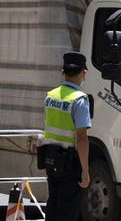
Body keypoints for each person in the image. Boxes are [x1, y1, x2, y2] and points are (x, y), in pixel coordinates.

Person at [39, 51, 91, 221]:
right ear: (84, 73)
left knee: (53, 206)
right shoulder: (80, 100)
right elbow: (82, 138)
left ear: (63, 73)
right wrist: (85, 170)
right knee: (68, 211)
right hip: (70, 164)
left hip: (51, 159)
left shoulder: (50, 96)